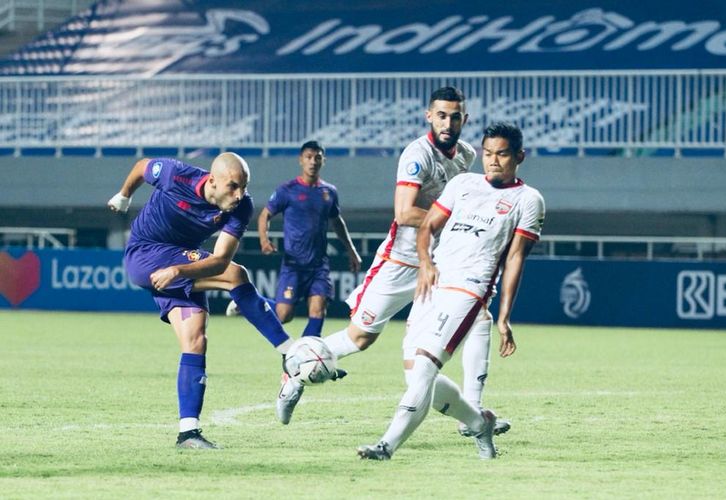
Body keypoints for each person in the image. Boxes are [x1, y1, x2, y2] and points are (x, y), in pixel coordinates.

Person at [277, 87, 507, 434]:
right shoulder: (417, 154)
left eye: (455, 116)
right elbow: (403, 212)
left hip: (441, 263)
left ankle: (474, 414)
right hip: (400, 261)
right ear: (429, 115)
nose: (448, 122)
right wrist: (455, 217)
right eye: (441, 115)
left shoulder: (467, 155)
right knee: (360, 338)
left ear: (465, 119)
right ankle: (294, 375)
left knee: (477, 318)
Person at [357, 121, 545, 460]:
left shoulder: (528, 200)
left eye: (502, 154)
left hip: (470, 291)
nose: (493, 161)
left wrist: (504, 316)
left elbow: (516, 257)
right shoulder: (462, 183)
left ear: (519, 156)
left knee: (426, 368)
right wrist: (425, 263)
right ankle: (478, 422)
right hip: (433, 286)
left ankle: (386, 446)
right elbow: (428, 225)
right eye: (488, 154)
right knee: (416, 375)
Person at [107, 152, 294, 449]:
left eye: (243, 186)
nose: (239, 194)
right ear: (212, 180)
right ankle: (289, 352)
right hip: (146, 254)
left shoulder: (241, 206)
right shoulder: (175, 175)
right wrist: (124, 195)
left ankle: (188, 432)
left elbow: (219, 261)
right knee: (237, 276)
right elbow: (143, 167)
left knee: (196, 340)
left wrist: (179, 269)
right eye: (233, 186)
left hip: (179, 263)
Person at [226, 141, 362, 338]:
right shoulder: (287, 190)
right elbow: (265, 215)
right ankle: (246, 304)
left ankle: (306, 361)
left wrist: (352, 251)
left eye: (317, 157)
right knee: (284, 315)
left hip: (319, 265)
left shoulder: (329, 192)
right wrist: (264, 240)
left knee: (318, 311)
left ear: (323, 160)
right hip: (294, 264)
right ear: (301, 160)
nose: (313, 162)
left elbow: (337, 222)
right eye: (308, 157)